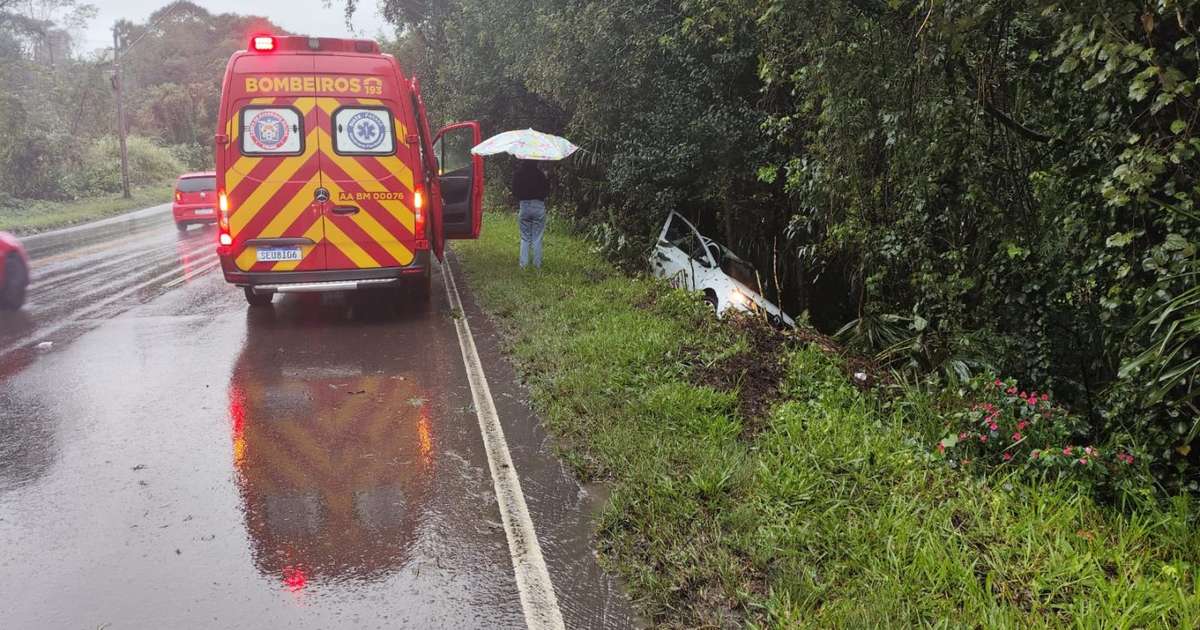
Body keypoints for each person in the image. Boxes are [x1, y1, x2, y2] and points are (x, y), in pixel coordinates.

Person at [511, 159, 549, 269]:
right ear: (536, 161)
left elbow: (514, 191)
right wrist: (547, 179)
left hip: (524, 206)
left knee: (525, 237)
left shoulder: (518, 174)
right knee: (537, 237)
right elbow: (546, 192)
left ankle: (523, 265)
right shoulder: (541, 175)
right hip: (538, 206)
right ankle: (537, 266)